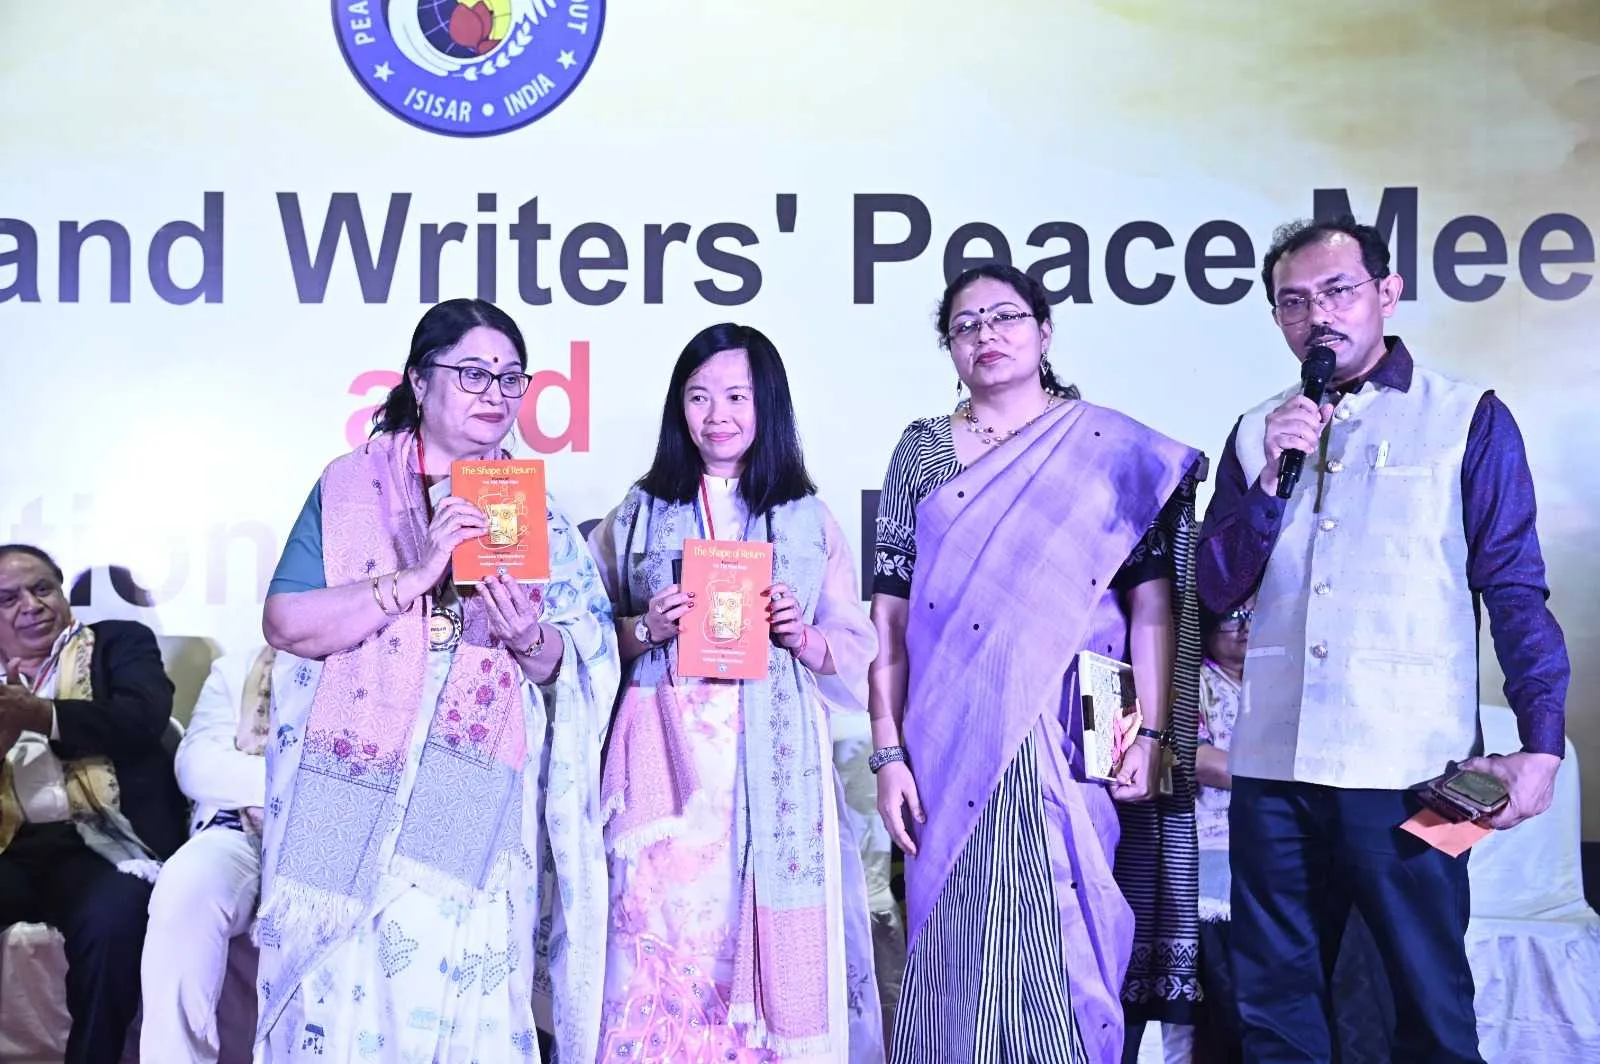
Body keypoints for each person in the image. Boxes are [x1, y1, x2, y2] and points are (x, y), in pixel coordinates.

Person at [1197, 215, 1571, 1063]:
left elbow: (1514, 588)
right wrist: (1267, 481)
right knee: (1274, 1008)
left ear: (1387, 294)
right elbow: (1215, 587)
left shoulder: (1467, 415)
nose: (1317, 315)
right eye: (1294, 302)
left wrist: (1541, 743)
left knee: (1426, 998)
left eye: (1338, 291)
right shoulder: (1258, 428)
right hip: (1273, 769)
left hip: (1417, 768)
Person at [255, 298, 619, 1063]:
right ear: (420, 383)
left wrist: (528, 638)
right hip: (352, 778)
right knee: (344, 992)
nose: (496, 393)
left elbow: (577, 659)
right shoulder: (349, 487)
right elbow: (287, 623)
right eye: (474, 373)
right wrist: (419, 574)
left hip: (471, 786)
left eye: (511, 378)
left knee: (454, 975)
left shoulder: (536, 514)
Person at [869, 264, 1203, 1064]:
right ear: (949, 348)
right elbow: (891, 614)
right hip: (949, 737)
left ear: (1045, 332)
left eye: (1005, 317)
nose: (986, 335)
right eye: (965, 325)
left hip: (1078, 724)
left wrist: (1152, 734)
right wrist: (888, 753)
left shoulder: (1105, 447)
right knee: (957, 936)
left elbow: (1151, 604)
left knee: (1072, 917)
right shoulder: (923, 450)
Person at [587, 322, 884, 1062]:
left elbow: (852, 649)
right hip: (667, 783)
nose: (716, 415)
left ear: (768, 404)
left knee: (752, 962)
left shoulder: (809, 520)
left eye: (736, 397)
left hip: (771, 774)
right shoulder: (636, 513)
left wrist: (801, 636)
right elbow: (584, 637)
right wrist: (646, 627)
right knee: (659, 944)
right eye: (698, 397)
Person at [0, 543, 188, 1064]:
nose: (31, 606)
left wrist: (42, 715)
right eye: (8, 599)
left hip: (104, 842)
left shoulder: (118, 643)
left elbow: (141, 718)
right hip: (14, 847)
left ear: (61, 592)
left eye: (42, 588)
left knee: (112, 921)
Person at [140, 644, 277, 1063]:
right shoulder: (238, 668)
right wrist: (295, 787)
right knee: (186, 884)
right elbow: (198, 766)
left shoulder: (391, 662)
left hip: (341, 838)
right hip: (240, 832)